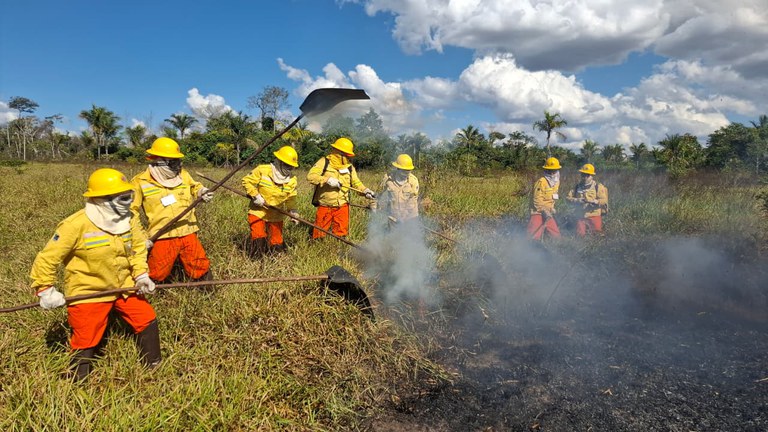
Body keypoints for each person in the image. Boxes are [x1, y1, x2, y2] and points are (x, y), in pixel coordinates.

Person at [30, 168, 160, 380]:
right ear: (101, 198)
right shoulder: (75, 225)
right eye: (120, 197)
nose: (127, 202)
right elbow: (47, 258)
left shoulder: (130, 219)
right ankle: (78, 378)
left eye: (128, 196)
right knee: (87, 335)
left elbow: (137, 248)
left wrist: (141, 275)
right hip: (89, 289)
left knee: (146, 318)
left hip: (125, 286)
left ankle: (154, 366)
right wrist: (45, 289)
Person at [131, 137, 214, 283]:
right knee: (157, 271)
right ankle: (151, 295)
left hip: (187, 230)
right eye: (172, 161)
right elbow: (131, 212)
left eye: (177, 161)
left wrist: (201, 191)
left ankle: (208, 291)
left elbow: (194, 186)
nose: (177, 165)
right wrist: (140, 237)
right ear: (157, 160)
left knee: (199, 264)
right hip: (163, 234)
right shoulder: (140, 182)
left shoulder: (183, 175)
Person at [307, 137, 375, 239]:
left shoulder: (349, 167)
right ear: (339, 153)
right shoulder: (324, 162)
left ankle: (338, 251)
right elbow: (311, 177)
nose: (348, 158)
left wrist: (365, 190)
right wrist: (327, 180)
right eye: (347, 156)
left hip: (342, 206)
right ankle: (317, 247)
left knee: (341, 234)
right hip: (325, 205)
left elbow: (356, 182)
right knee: (319, 234)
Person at [241, 146, 300, 257]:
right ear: (279, 162)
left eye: (292, 167)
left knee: (276, 241)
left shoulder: (292, 180)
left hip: (276, 214)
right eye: (287, 165)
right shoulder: (263, 170)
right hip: (258, 211)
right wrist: (255, 195)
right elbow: (246, 181)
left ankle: (275, 261)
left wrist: (293, 211)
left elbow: (291, 197)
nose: (289, 168)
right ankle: (256, 261)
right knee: (258, 236)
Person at [566, 163, 609, 236]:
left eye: (587, 175)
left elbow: (604, 200)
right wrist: (577, 200)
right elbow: (568, 198)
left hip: (594, 215)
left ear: (592, 176)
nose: (585, 177)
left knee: (597, 235)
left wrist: (595, 201)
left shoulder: (598, 187)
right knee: (580, 236)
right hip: (581, 216)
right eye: (583, 175)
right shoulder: (577, 187)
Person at [378, 154, 420, 223]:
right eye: (404, 171)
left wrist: (404, 217)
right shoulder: (388, 179)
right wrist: (376, 207)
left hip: (410, 218)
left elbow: (412, 202)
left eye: (408, 171)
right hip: (392, 218)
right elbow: (378, 195)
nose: (406, 174)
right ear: (398, 168)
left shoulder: (413, 181)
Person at [528, 157, 562, 240]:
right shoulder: (541, 182)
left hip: (548, 213)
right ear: (546, 170)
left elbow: (553, 196)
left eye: (554, 170)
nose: (552, 173)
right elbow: (536, 200)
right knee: (533, 236)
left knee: (556, 237)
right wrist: (544, 210)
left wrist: (551, 208)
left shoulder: (557, 182)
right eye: (550, 170)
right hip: (537, 212)